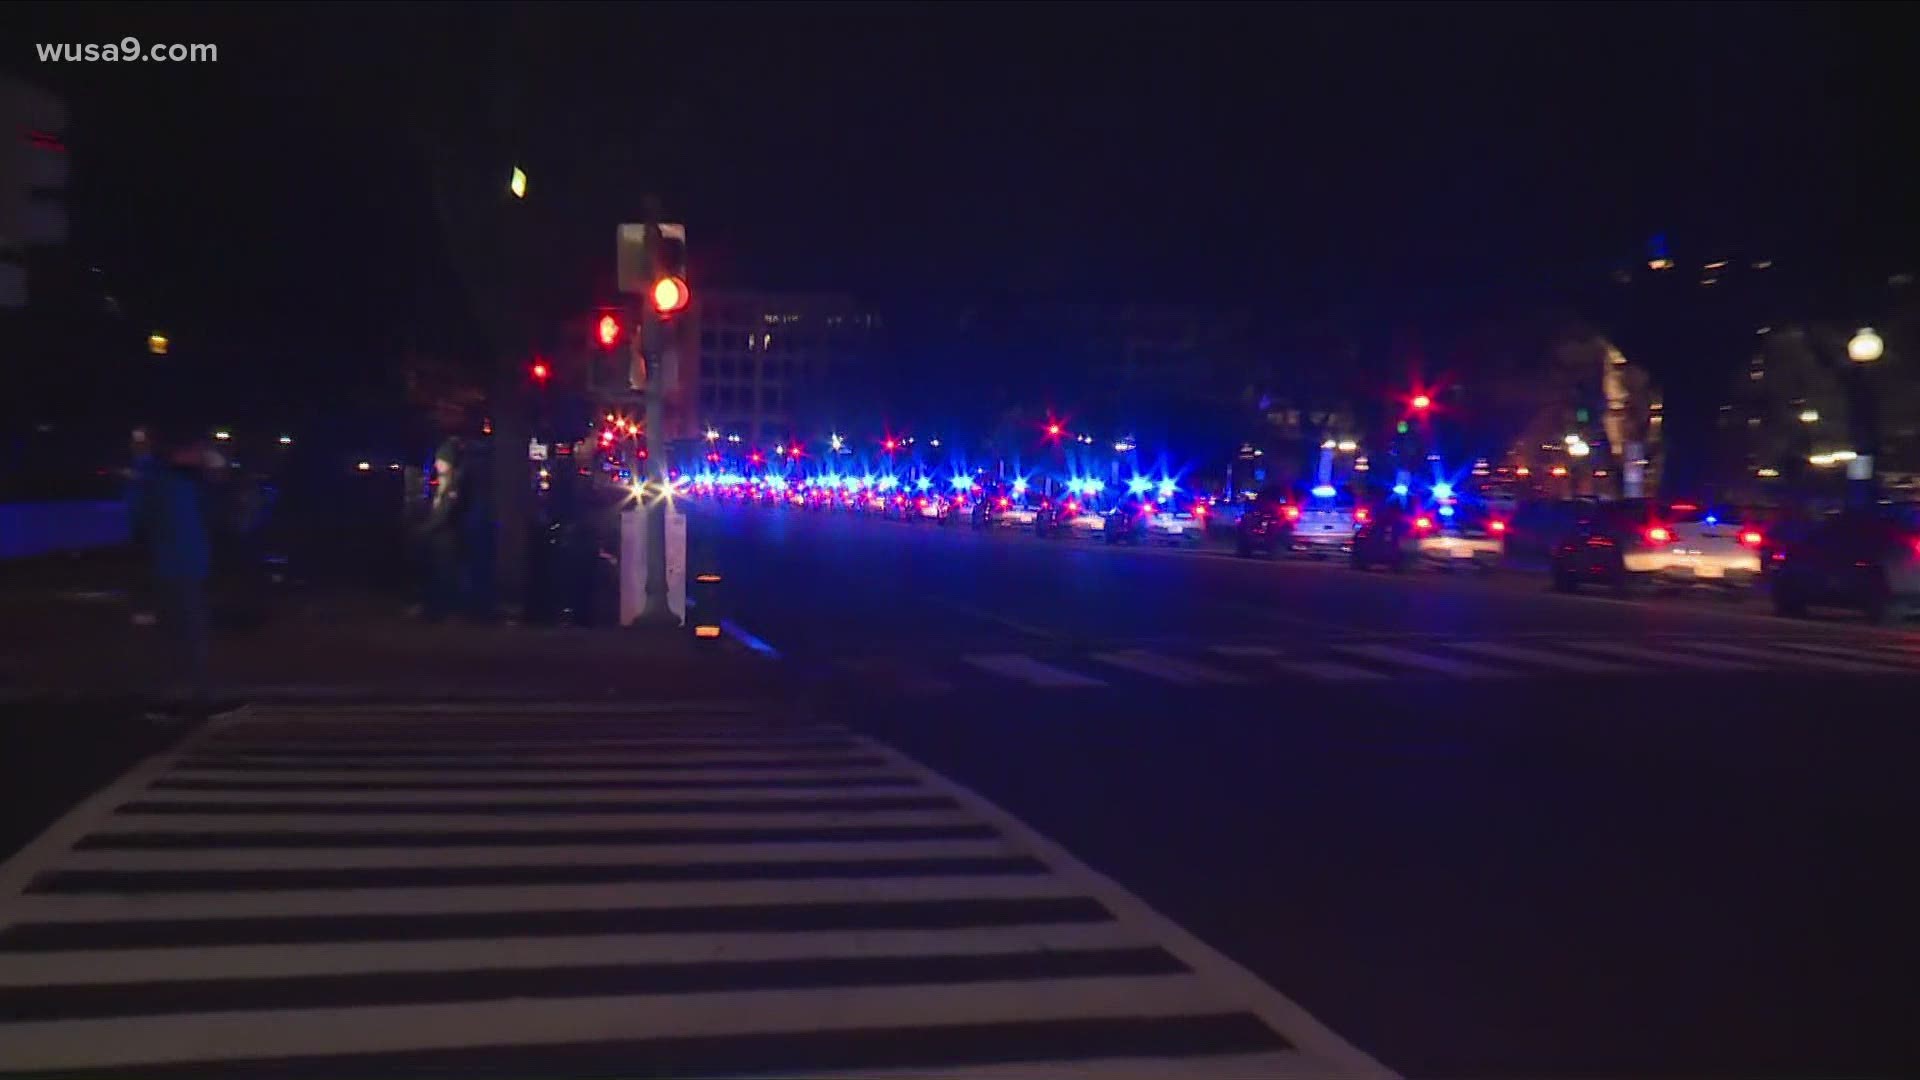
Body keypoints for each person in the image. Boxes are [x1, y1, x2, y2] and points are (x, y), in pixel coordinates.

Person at [135, 428, 215, 718]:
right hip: (178, 567)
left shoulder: (172, 483)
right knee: (188, 632)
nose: (202, 457)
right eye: (197, 452)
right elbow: (175, 528)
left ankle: (178, 695)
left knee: (181, 633)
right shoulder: (172, 485)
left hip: (179, 566)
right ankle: (188, 697)